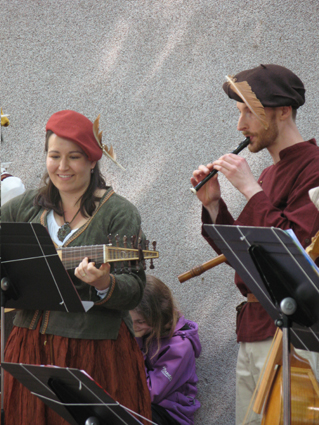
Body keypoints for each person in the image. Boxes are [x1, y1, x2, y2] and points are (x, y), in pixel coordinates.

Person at [1, 110, 152, 425]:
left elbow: (135, 290)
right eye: (54, 156)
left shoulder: (119, 213)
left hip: (95, 351)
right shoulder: (22, 208)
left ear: (93, 160)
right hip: (30, 345)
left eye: (74, 157)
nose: (62, 166)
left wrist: (104, 284)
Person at [191, 64, 319, 425]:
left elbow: (298, 250)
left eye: (250, 110)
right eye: (239, 112)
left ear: (283, 111)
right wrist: (214, 204)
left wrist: (250, 190)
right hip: (255, 327)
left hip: (295, 334)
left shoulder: (315, 168)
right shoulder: (266, 174)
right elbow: (247, 258)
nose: (240, 125)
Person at [130, 275, 201, 425]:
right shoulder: (145, 331)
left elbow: (149, 392)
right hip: (142, 404)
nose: (133, 326)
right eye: (130, 320)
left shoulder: (180, 347)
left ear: (158, 316)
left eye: (140, 321)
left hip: (170, 415)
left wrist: (134, 345)